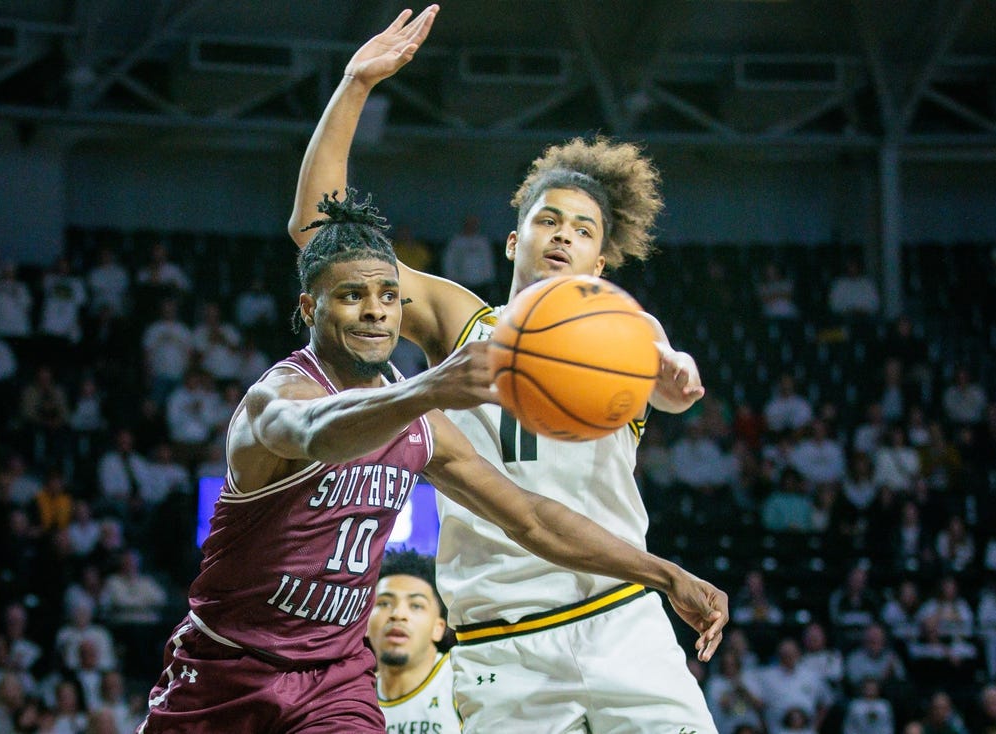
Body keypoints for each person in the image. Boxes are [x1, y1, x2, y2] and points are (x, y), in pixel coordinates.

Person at [139, 188, 726, 732]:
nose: (375, 311)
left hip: (335, 677)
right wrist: (428, 389)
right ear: (309, 306)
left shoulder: (427, 424)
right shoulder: (280, 396)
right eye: (352, 296)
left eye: (388, 296)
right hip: (229, 661)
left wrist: (667, 574)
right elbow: (319, 433)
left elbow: (530, 518)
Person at [289, 7, 727, 731]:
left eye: (584, 231)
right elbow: (319, 237)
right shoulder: (462, 321)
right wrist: (354, 86)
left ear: (600, 259)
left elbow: (670, 375)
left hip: (622, 619)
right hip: (503, 641)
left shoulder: (619, 328)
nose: (564, 236)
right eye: (549, 221)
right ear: (514, 238)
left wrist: (675, 373)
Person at [368, 549, 459, 732]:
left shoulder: (461, 678)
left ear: (438, 628)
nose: (398, 615)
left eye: (416, 605)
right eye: (384, 603)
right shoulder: (352, 695)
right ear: (363, 624)